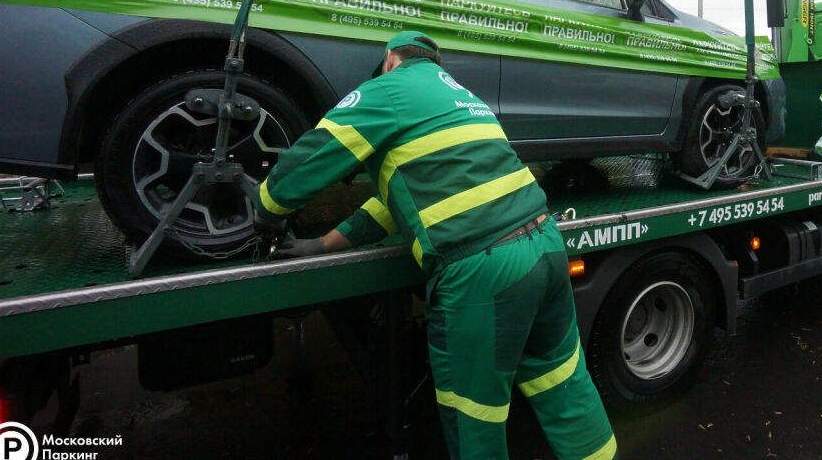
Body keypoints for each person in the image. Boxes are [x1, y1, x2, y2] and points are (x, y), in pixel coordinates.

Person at [255, 30, 617, 460]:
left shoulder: (387, 89)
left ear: (390, 58)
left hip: (484, 272)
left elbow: (311, 158)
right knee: (565, 384)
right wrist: (324, 244)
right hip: (545, 246)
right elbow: (396, 202)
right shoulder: (464, 99)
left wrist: (265, 210)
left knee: (474, 416)